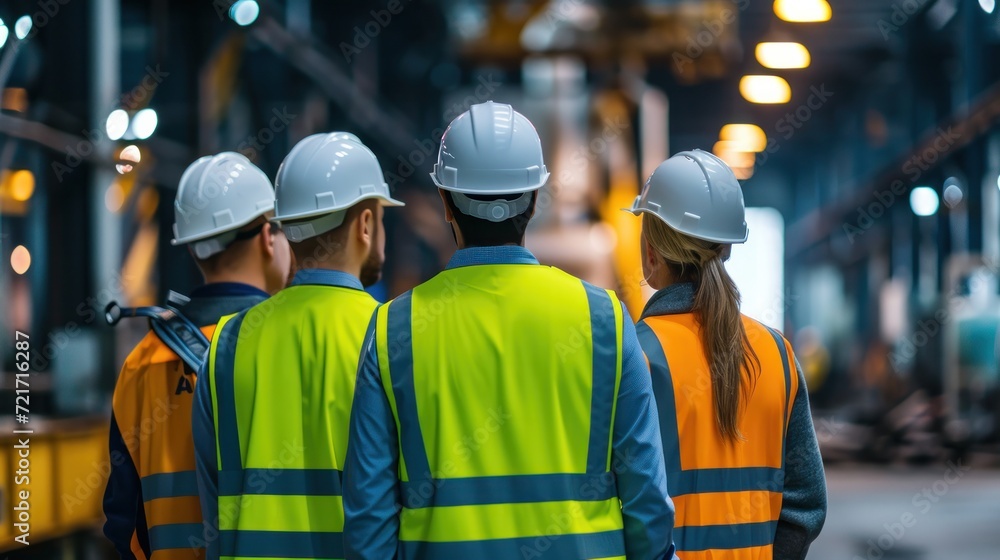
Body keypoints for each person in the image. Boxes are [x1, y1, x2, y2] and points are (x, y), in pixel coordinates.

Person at [343, 101, 676, 560]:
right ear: (536, 199)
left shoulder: (392, 329)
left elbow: (368, 524)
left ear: (445, 201)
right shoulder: (604, 319)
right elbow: (647, 502)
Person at [192, 132, 404, 560]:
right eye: (380, 217)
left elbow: (212, 511)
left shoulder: (226, 345)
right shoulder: (390, 336)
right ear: (365, 224)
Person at [626, 150, 827, 560]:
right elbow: (806, 503)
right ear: (728, 249)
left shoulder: (633, 357)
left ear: (650, 252)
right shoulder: (777, 354)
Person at [104, 152, 291, 560]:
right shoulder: (291, 346)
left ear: (192, 249)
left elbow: (123, 519)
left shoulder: (141, 363)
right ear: (266, 237)